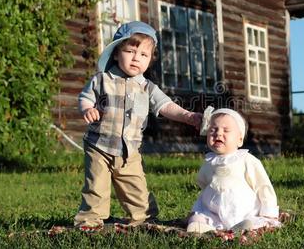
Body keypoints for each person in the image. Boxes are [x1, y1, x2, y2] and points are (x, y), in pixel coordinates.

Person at [74, 21, 201, 228]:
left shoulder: (147, 87)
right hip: (99, 145)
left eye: (143, 55)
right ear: (116, 53)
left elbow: (166, 106)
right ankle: (90, 220)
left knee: (136, 188)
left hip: (129, 150)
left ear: (150, 60)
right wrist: (88, 109)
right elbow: (85, 97)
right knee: (96, 186)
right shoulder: (102, 79)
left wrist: (187, 116)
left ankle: (144, 218)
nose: (136, 58)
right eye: (130, 51)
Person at [187, 108, 281, 233]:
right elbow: (203, 182)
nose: (218, 134)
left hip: (244, 211)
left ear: (240, 140)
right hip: (214, 210)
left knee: (252, 221)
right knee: (197, 217)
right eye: (213, 130)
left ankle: (243, 227)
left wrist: (269, 211)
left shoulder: (246, 160)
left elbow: (263, 186)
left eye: (226, 130)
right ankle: (204, 227)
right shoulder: (209, 161)